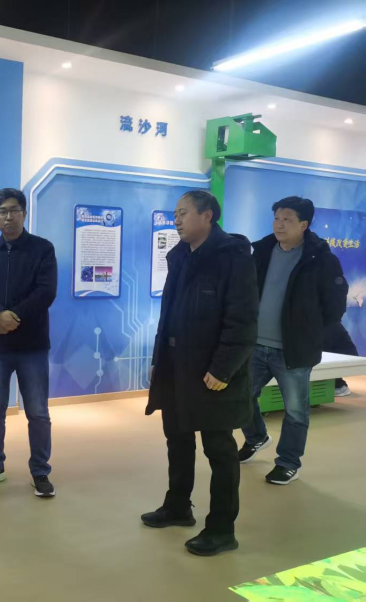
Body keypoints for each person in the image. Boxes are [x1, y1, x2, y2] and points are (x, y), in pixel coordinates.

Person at [143, 190, 258, 556]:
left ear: (207, 216)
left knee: (219, 449)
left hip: (213, 372)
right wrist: (159, 359)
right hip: (176, 367)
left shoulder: (233, 258)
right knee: (177, 439)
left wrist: (223, 368)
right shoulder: (179, 256)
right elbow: (169, 315)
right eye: (175, 213)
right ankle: (178, 506)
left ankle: (222, 529)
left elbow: (242, 321)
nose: (176, 220)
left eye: (183, 213)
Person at [239, 197, 347, 484]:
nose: (279, 224)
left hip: (293, 350)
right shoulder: (262, 252)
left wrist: (309, 332)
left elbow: (335, 306)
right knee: (241, 397)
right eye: (276, 218)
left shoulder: (321, 260)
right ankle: (257, 436)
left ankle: (288, 462)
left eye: (287, 219)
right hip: (255, 345)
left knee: (296, 411)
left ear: (303, 224)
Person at [0, 188, 58, 498]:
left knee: (38, 412)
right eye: (3, 212)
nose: (9, 217)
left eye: (15, 210)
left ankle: (40, 471)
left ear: (24, 213)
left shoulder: (43, 249)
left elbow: (46, 292)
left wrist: (12, 317)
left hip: (32, 346)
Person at [323, 321, 359, 397]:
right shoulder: (328, 320)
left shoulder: (327, 324)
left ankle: (338, 385)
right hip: (340, 357)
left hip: (345, 359)